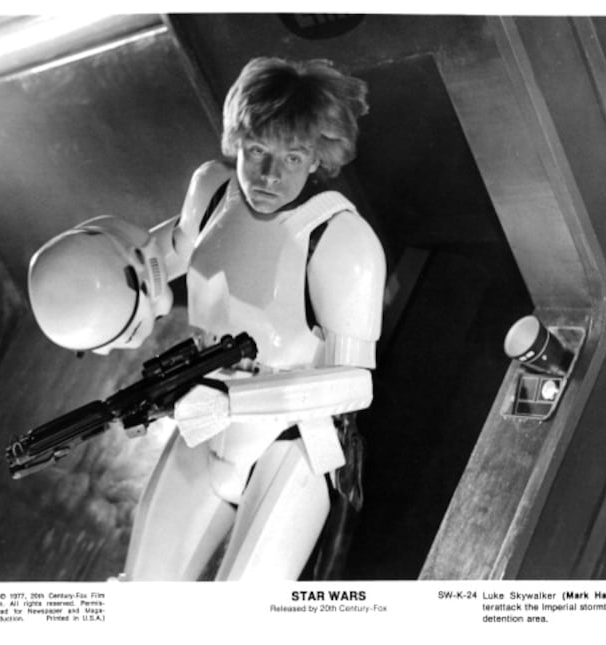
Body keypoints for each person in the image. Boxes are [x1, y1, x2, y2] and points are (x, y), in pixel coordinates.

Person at [27, 57, 386, 580]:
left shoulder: (341, 239)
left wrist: (232, 401)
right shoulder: (214, 192)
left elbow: (355, 387)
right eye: (257, 150)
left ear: (318, 158)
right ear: (237, 142)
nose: (270, 174)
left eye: (292, 156)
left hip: (290, 446)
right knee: (141, 595)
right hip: (202, 424)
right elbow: (157, 259)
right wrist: (84, 283)